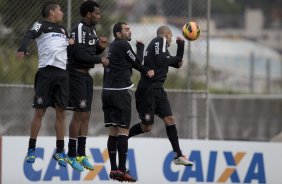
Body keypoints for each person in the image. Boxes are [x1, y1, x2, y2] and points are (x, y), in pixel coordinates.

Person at [128, 25, 194, 167]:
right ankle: (123, 137)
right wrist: (176, 55)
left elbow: (177, 63)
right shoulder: (160, 40)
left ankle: (178, 155)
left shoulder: (162, 48)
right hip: (148, 91)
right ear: (167, 34)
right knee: (147, 127)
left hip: (158, 90)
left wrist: (180, 46)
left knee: (170, 119)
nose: (171, 40)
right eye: (171, 37)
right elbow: (162, 60)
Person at [17, 1, 71, 167]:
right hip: (46, 72)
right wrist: (23, 47)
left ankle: (60, 152)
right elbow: (29, 34)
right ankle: (31, 149)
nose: (62, 12)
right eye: (60, 10)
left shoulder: (63, 30)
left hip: (62, 73)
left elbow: (70, 46)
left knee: (61, 113)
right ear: (52, 13)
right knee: (40, 111)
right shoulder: (41, 24)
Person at [102, 22, 154, 182]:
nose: (129, 31)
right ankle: (123, 170)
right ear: (118, 34)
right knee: (123, 131)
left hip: (107, 92)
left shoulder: (114, 46)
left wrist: (139, 49)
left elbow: (133, 61)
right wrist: (148, 71)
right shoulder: (123, 44)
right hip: (120, 93)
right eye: (126, 29)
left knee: (113, 131)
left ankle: (114, 169)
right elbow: (137, 64)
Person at [65, 1, 109, 172]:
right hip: (75, 75)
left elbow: (89, 53)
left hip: (86, 76)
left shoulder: (91, 30)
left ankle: (81, 154)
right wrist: (101, 59)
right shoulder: (79, 29)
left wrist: (99, 48)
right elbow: (78, 53)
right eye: (96, 13)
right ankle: (71, 154)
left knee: (86, 114)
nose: (99, 16)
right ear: (88, 14)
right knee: (78, 114)